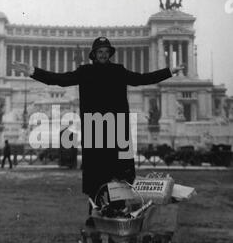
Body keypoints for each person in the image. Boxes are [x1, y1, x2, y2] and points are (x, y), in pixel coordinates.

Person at [12, 37, 184, 211]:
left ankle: (119, 216)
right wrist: (33, 71)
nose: (103, 55)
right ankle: (96, 219)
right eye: (100, 52)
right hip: (95, 130)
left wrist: (169, 71)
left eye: (106, 52)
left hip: (117, 130)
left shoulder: (119, 71)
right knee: (96, 180)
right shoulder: (84, 71)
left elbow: (143, 78)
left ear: (110, 54)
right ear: (94, 54)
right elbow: (59, 79)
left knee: (120, 179)